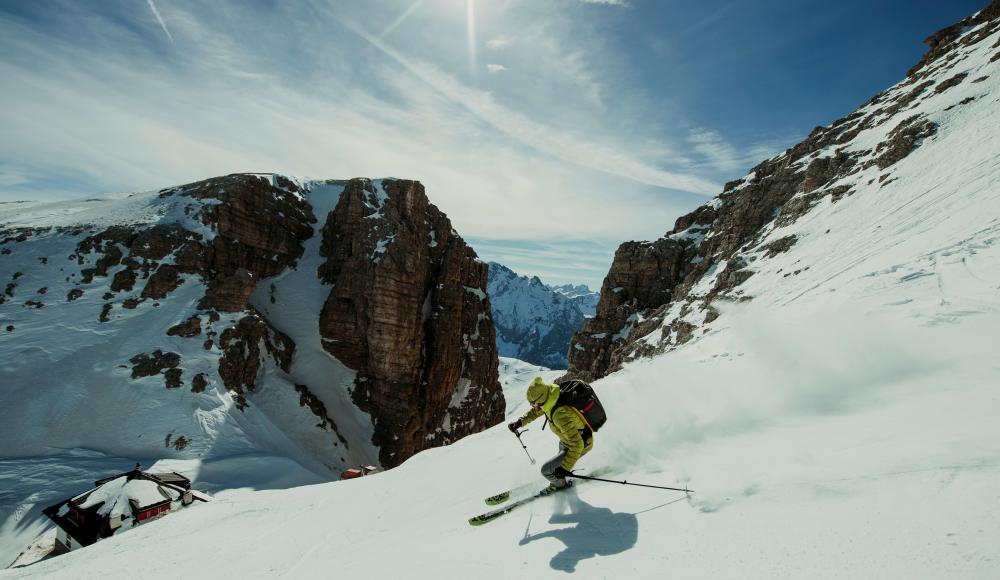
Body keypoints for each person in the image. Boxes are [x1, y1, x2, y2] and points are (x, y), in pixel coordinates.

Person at [508, 377, 594, 494]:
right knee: (556, 465)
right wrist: (520, 422)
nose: (532, 405)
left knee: (546, 471)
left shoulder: (559, 414)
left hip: (581, 444)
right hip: (566, 441)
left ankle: (560, 485)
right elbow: (536, 411)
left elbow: (577, 445)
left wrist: (563, 469)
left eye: (533, 403)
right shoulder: (550, 399)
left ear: (541, 400)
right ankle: (560, 478)